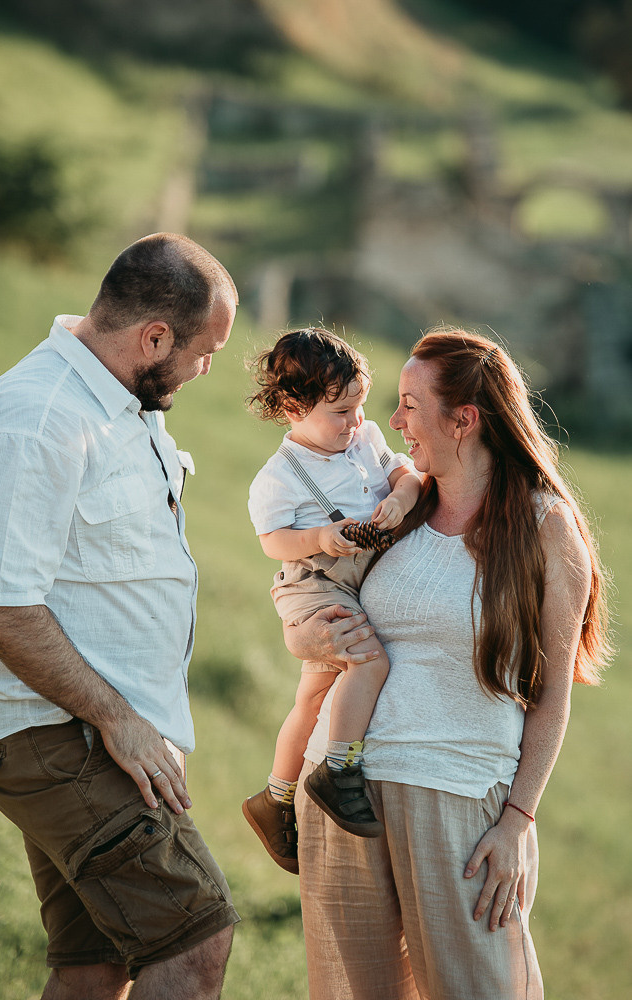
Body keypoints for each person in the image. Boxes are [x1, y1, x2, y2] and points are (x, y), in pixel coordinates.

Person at [283, 328, 611, 1000]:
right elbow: (311, 607)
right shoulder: (394, 508)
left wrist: (517, 820)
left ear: (463, 420)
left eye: (409, 404)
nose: (392, 421)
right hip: (344, 794)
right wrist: (310, 639)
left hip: (456, 797)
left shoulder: (545, 526)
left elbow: (553, 693)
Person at [0, 233, 240, 1000]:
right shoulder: (38, 415)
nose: (205, 368)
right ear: (154, 337)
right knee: (195, 940)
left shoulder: (122, 403)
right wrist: (117, 719)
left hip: (92, 728)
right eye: (204, 352)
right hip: (53, 730)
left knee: (94, 967)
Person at [241, 328, 420, 874]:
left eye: (360, 406)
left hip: (354, 578)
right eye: (340, 411)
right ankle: (338, 769)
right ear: (295, 408)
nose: (355, 421)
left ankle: (274, 797)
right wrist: (320, 536)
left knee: (316, 694)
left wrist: (402, 497)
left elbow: (405, 474)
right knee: (369, 660)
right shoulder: (279, 477)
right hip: (313, 583)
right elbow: (273, 543)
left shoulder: (364, 439)